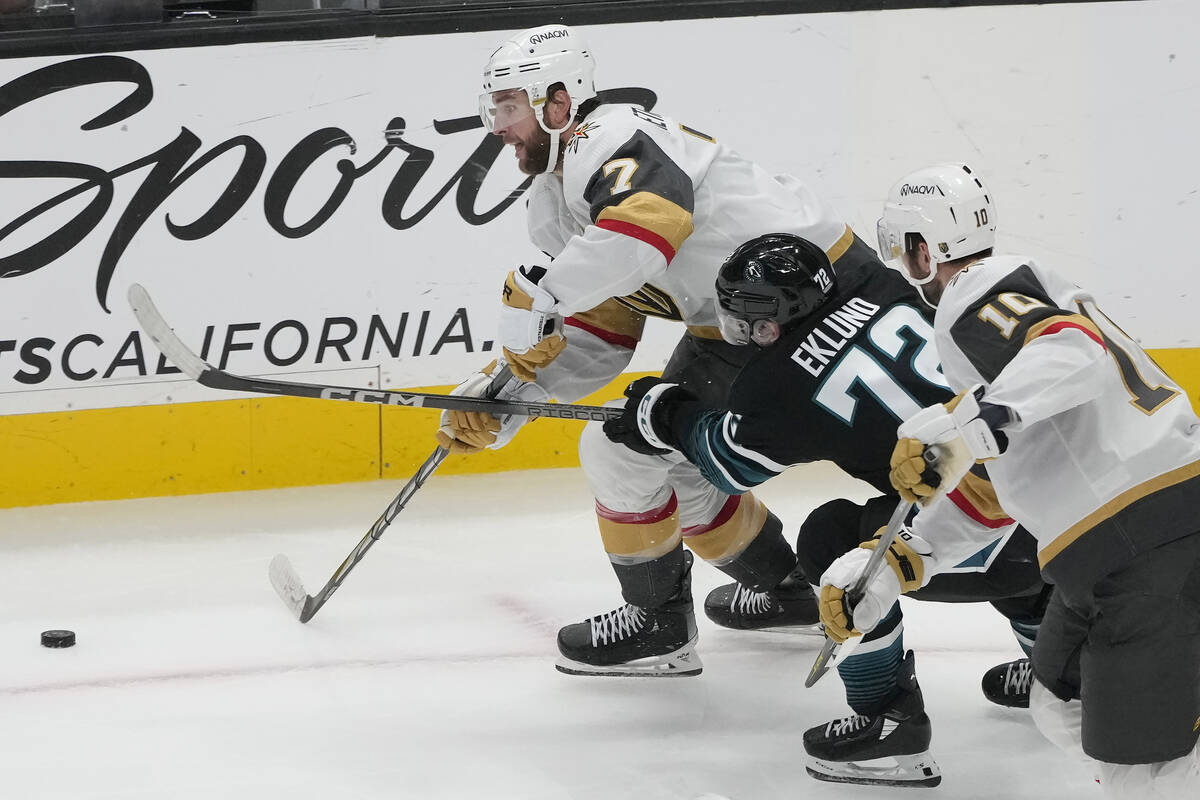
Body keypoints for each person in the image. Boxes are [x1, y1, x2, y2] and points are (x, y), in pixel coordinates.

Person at [438, 22, 884, 678]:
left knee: (622, 450)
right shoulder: (554, 205)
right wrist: (509, 395)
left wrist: (543, 298)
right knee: (668, 461)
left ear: (559, 103)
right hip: (746, 326)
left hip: (818, 298)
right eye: (494, 107)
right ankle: (786, 591)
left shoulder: (608, 137)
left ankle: (658, 624)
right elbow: (603, 337)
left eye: (510, 106)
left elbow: (649, 230)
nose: (497, 126)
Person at [603, 231, 1050, 786]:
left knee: (832, 538)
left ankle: (889, 724)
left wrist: (662, 413)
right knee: (971, 507)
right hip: (1061, 500)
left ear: (768, 324)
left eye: (744, 319)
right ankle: (1064, 670)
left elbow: (727, 463)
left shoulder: (778, 384)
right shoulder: (884, 285)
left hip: (985, 538)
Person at [820, 162, 1200, 798]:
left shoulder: (974, 291)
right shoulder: (1013, 318)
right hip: (1118, 547)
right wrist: (897, 561)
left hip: (1143, 541)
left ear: (923, 247)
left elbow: (1075, 351)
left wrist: (971, 420)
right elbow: (1000, 482)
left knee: (1145, 771)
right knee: (1056, 701)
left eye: (901, 249)